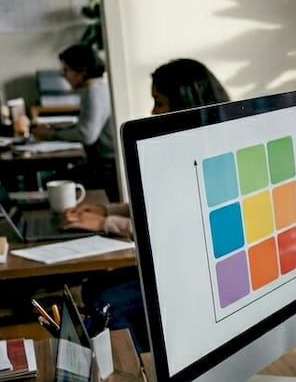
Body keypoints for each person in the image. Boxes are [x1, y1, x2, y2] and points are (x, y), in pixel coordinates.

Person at [62, 58, 229, 353]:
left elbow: (168, 229)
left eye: (160, 102)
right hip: (175, 265)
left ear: (185, 104)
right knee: (93, 288)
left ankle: (142, 373)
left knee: (105, 302)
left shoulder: (211, 156)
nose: (153, 112)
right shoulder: (184, 145)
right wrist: (107, 211)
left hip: (198, 275)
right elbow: (157, 206)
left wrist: (105, 224)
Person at [34, 44, 118, 199]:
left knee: (52, 183)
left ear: (82, 71)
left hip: (107, 167)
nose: (63, 75)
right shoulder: (96, 88)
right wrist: (55, 128)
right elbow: (85, 125)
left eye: (66, 70)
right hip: (103, 163)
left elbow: (87, 135)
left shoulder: (94, 92)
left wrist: (51, 135)